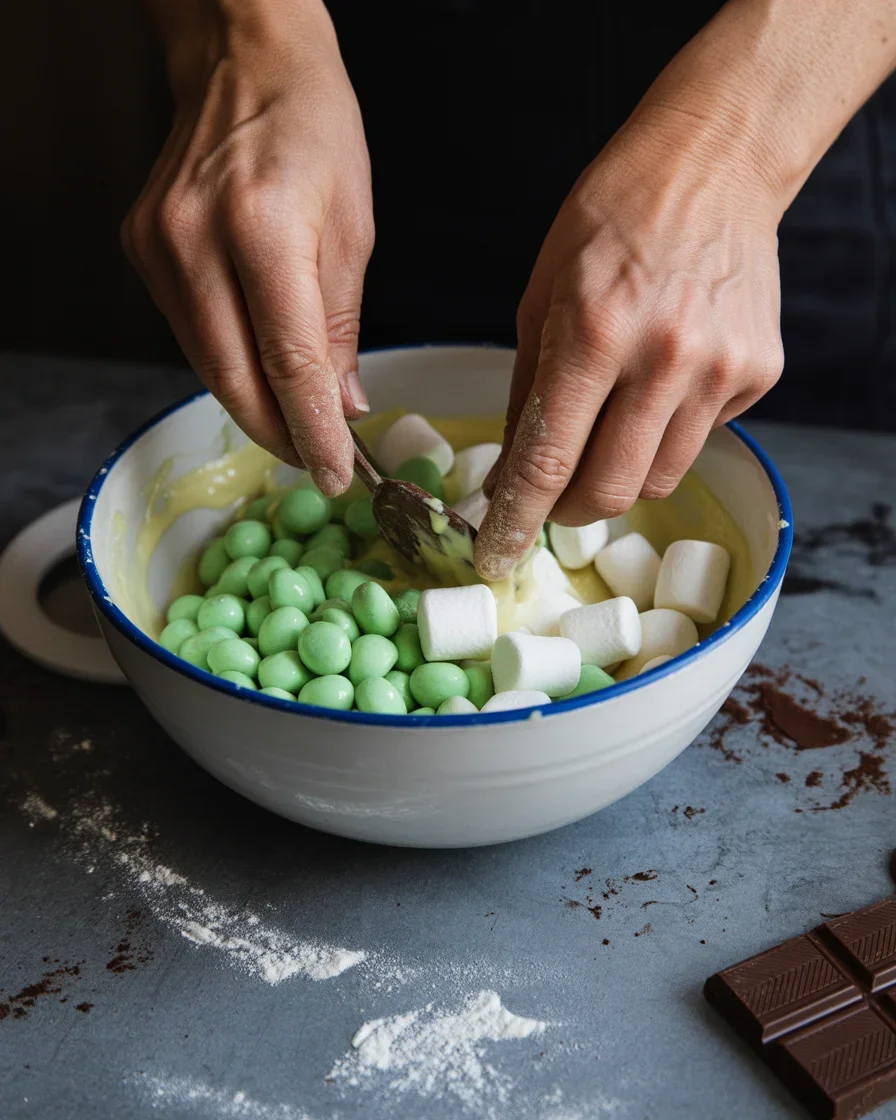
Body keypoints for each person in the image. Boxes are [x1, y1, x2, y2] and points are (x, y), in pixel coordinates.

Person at [124, 0, 896, 581]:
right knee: (293, 363)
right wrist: (242, 36)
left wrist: (737, 145)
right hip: (354, 122)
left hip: (787, 98)